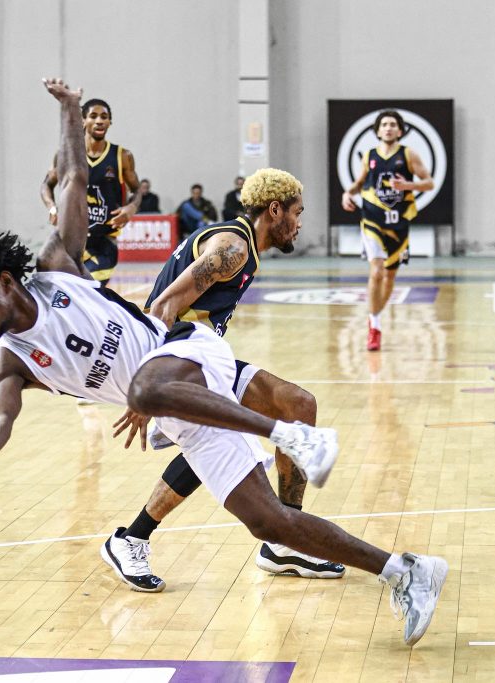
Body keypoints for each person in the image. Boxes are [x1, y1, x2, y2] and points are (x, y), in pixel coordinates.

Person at [0, 78, 447, 647]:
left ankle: (292, 437)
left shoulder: (57, 267)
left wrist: (72, 111)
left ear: (6, 281)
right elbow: (0, 416)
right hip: (170, 399)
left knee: (180, 394)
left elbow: (75, 178)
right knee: (268, 521)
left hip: (184, 346)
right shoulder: (9, 363)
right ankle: (407, 572)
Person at [102, 167, 343, 593]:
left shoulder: (240, 244)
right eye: (298, 212)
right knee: (216, 443)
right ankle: (131, 539)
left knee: (297, 405)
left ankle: (283, 543)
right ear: (275, 210)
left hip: (203, 359)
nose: (300, 223)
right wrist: (148, 390)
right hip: (175, 363)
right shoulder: (233, 248)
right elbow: (162, 307)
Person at [342, 110, 434, 351]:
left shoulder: (408, 154)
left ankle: (374, 315)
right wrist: (348, 193)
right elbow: (360, 183)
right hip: (372, 219)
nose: (389, 128)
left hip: (398, 222)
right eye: (384, 124)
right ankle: (375, 326)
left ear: (400, 130)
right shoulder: (369, 156)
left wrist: (407, 185)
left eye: (393, 124)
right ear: (378, 130)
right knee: (376, 271)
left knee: (389, 277)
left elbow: (429, 182)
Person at [41, 97, 142, 287]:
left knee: (88, 290)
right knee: (58, 290)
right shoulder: (66, 155)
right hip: (70, 240)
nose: (99, 121)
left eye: (104, 117)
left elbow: (137, 190)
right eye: (93, 116)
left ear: (110, 122)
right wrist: (52, 208)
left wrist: (131, 208)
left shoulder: (122, 156)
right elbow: (46, 185)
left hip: (103, 242)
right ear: (83, 121)